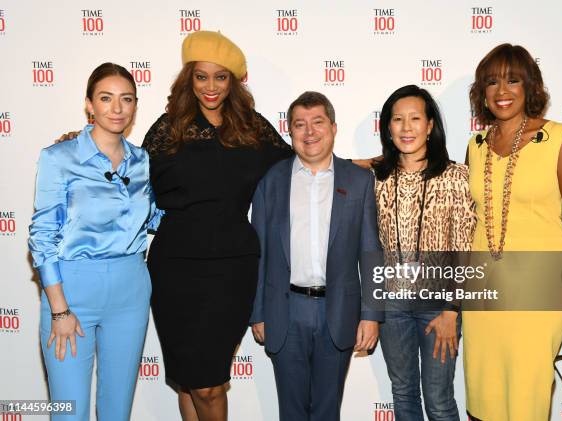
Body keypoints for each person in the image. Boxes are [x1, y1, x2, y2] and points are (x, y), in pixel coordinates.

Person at [140, 31, 293, 421]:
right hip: (174, 266)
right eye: (202, 76)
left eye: (220, 77)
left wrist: (361, 166)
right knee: (190, 379)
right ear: (189, 79)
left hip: (231, 266)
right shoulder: (168, 127)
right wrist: (81, 144)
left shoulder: (250, 127)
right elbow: (126, 171)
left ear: (233, 81)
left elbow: (303, 163)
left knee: (207, 383)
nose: (211, 86)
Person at [463, 43, 562, 421]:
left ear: (529, 87)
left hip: (540, 289)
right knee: (483, 391)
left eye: (513, 80)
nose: (502, 91)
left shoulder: (559, 140)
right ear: (482, 93)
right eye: (491, 82)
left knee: (527, 393)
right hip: (483, 289)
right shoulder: (476, 145)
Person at [28, 62, 159, 421]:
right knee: (69, 412)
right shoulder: (59, 157)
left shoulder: (143, 161)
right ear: (89, 104)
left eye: (126, 99)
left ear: (135, 105)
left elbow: (155, 216)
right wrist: (59, 309)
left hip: (131, 290)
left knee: (117, 412)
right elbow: (41, 237)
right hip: (72, 292)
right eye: (106, 98)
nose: (117, 109)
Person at [249, 91, 384, 421]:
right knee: (291, 413)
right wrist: (257, 312)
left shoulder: (359, 180)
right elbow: (259, 251)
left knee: (327, 412)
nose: (309, 132)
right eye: (300, 124)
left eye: (317, 122)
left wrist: (371, 314)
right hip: (285, 310)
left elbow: (371, 251)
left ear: (334, 128)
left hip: (338, 312)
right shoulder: (272, 180)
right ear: (290, 131)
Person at [372, 85, 476, 421]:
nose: (406, 127)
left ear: (430, 125)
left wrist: (451, 310)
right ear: (387, 127)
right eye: (397, 119)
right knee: (402, 394)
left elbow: (464, 252)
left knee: (439, 399)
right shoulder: (378, 179)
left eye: (415, 118)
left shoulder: (456, 177)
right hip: (392, 304)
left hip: (439, 305)